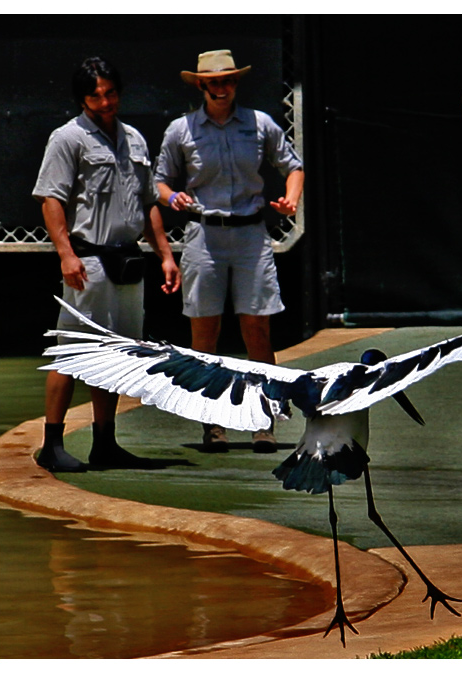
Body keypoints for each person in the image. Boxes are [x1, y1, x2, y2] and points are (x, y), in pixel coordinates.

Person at [33, 56, 181, 472]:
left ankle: (105, 442)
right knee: (71, 350)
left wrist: (166, 256)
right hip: (89, 260)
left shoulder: (133, 138)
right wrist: (65, 254)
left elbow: (148, 202)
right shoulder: (68, 138)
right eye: (95, 95)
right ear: (82, 99)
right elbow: (51, 199)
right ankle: (52, 443)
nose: (105, 101)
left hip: (128, 260)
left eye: (110, 92)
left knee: (117, 354)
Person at [154, 49, 304, 453]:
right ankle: (212, 421)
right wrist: (173, 200)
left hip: (251, 235)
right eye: (214, 82)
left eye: (229, 80)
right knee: (205, 330)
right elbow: (161, 182)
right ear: (201, 85)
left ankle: (263, 418)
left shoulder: (260, 124)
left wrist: (290, 199)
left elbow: (293, 166)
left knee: (257, 327)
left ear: (237, 83)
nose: (222, 87)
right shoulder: (180, 130)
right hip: (204, 235)